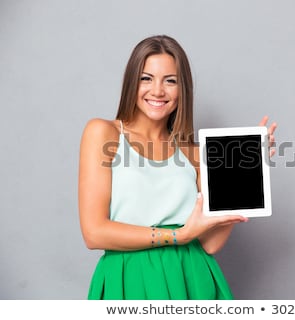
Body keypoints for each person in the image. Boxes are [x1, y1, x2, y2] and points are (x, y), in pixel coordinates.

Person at [78, 34, 277, 300]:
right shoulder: (103, 133)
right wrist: (178, 236)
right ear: (131, 83)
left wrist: (245, 170)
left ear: (183, 88)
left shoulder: (193, 152)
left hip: (192, 276)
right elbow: (94, 233)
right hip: (129, 277)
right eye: (146, 78)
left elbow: (210, 243)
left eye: (170, 81)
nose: (157, 91)